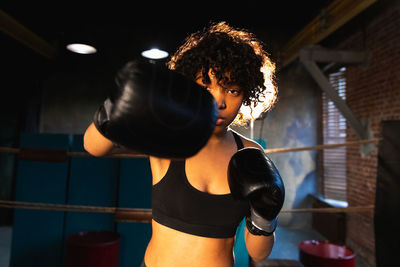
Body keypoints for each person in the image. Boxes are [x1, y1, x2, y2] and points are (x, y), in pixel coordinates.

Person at [84, 21, 284, 267]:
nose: (219, 102)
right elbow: (93, 147)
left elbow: (259, 253)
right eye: (206, 86)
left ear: (246, 93)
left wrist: (266, 215)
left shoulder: (250, 153)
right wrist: (115, 106)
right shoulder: (169, 134)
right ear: (190, 84)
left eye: (232, 90)